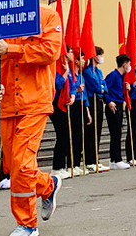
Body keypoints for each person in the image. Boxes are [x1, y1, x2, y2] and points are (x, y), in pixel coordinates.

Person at [0, 0, 64, 236]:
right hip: (7, 104)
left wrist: (12, 49)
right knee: (13, 165)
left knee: (23, 162)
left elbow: (50, 52)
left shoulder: (48, 16)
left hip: (35, 100)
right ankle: (48, 185)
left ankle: (27, 224)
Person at [50, 47, 75, 180]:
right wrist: (65, 73)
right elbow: (57, 84)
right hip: (56, 103)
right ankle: (57, 167)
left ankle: (62, 166)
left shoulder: (67, 67)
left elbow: (72, 85)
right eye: (71, 52)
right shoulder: (57, 67)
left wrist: (72, 95)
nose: (73, 54)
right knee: (62, 135)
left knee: (66, 135)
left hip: (65, 103)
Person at [104, 54, 132, 170]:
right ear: (124, 64)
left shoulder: (123, 77)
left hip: (120, 104)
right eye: (129, 63)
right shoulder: (113, 75)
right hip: (113, 106)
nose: (129, 66)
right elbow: (104, 89)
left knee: (118, 133)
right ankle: (116, 159)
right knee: (115, 133)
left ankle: (114, 159)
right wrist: (109, 101)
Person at [82, 46, 108, 172]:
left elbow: (104, 86)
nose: (101, 57)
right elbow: (96, 87)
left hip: (99, 101)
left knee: (98, 131)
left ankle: (95, 159)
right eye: (100, 55)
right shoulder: (88, 71)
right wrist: (101, 88)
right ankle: (90, 161)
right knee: (91, 132)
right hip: (92, 101)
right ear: (94, 56)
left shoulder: (98, 71)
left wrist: (102, 88)